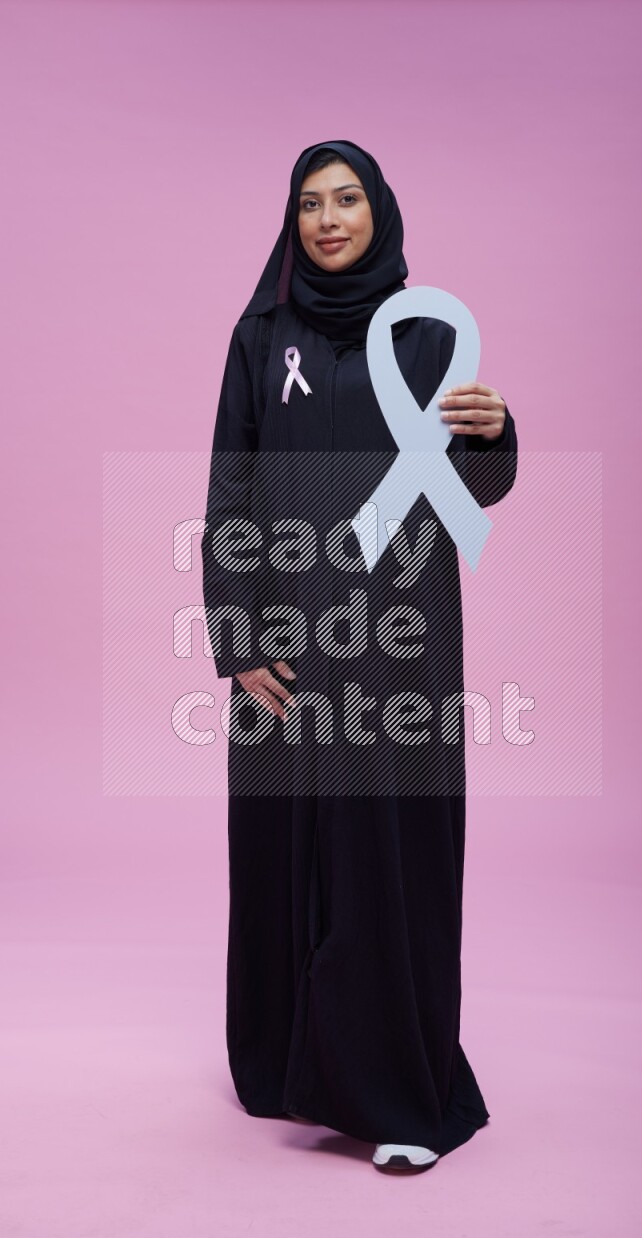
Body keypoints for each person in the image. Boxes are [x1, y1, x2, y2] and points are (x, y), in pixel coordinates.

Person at [201, 140, 518, 1173]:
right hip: (285, 646)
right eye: (307, 204)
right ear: (289, 222)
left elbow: (470, 489)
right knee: (283, 852)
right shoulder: (261, 338)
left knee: (386, 854)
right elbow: (231, 491)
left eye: (345, 200)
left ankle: (399, 1092)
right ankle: (284, 1064)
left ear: (378, 210)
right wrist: (238, 637)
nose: (327, 219)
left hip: (397, 644)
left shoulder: (424, 333)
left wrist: (494, 430)